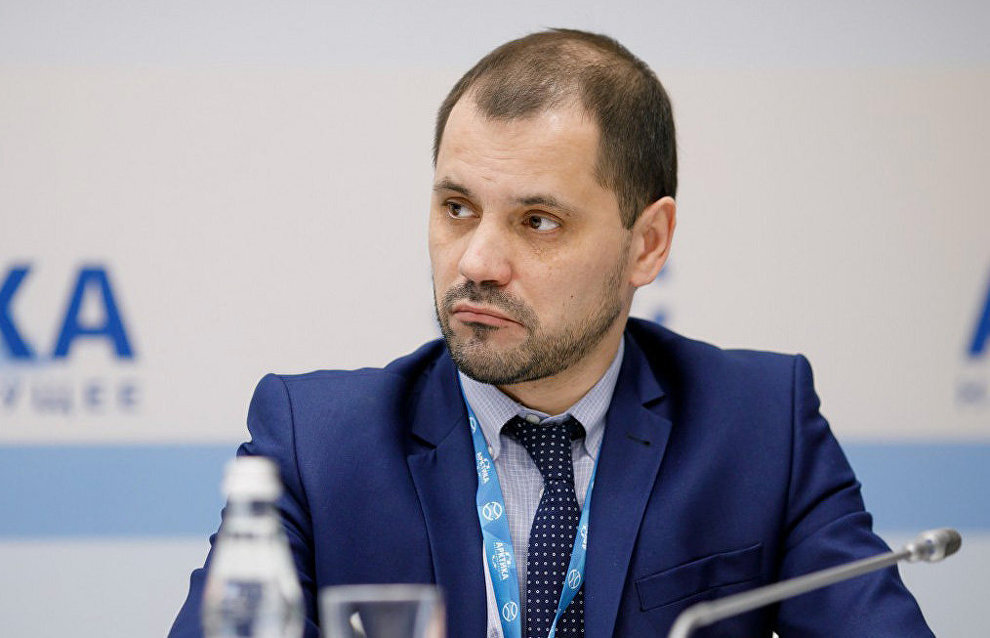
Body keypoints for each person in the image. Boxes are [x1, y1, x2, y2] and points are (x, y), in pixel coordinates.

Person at [170, 29, 932, 637]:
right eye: (457, 208)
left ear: (647, 244)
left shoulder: (759, 426)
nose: (477, 262)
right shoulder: (316, 445)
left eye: (537, 221)